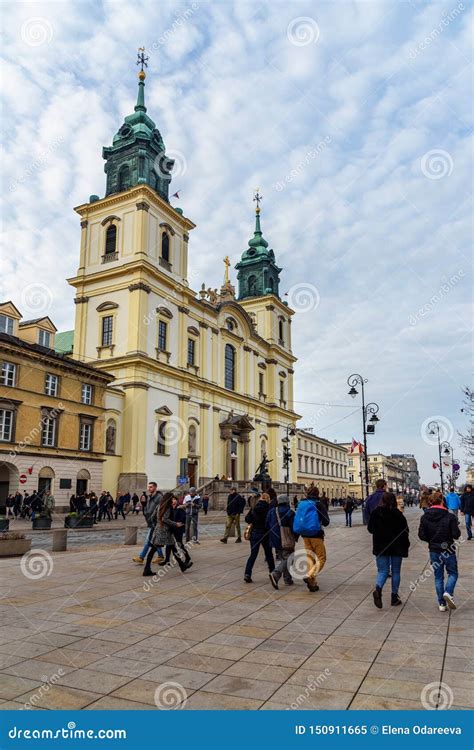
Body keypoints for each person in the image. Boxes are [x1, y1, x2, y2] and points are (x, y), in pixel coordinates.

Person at [419, 491, 461, 610]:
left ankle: (441, 604)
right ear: (442, 501)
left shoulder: (425, 516)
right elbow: (456, 535)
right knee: (453, 573)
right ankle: (448, 591)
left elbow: (421, 535)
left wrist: (431, 540)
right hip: (448, 548)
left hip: (434, 549)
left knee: (438, 576)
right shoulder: (450, 516)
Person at [368, 491, 410, 608]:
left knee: (382, 571)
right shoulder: (398, 515)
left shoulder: (376, 513)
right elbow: (405, 531)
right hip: (397, 547)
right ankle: (394, 597)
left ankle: (378, 589)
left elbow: (370, 529)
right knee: (396, 571)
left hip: (381, 547)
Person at [143, 493, 190, 576]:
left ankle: (147, 569)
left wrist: (157, 525)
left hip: (158, 531)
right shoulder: (168, 507)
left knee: (159, 549)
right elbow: (165, 519)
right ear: (169, 499)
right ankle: (182, 565)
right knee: (172, 548)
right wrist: (176, 524)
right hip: (166, 532)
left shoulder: (159, 506)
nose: (172, 500)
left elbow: (153, 517)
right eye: (171, 499)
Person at [293, 486, 330, 592]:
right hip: (316, 535)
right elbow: (326, 522)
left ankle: (313, 584)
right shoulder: (318, 504)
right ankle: (310, 575)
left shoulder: (301, 503)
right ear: (317, 493)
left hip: (304, 535)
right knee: (321, 557)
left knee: (310, 558)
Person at [243, 492, 275, 583]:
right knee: (269, 554)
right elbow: (271, 522)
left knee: (253, 554)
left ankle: (247, 574)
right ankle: (272, 572)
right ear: (268, 499)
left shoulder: (254, 508)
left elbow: (247, 519)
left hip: (255, 533)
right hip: (265, 534)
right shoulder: (269, 508)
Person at [267, 494, 297, 589]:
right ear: (287, 502)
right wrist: (295, 537)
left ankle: (287, 579)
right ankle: (276, 574)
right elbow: (294, 527)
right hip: (286, 538)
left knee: (283, 557)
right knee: (288, 558)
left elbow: (267, 523)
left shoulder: (272, 511)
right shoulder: (290, 512)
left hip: (275, 539)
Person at [133, 482, 164, 564]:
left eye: (151, 487)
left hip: (155, 522)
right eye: (148, 487)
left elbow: (161, 510)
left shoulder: (159, 497)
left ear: (155, 487)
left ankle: (141, 557)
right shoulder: (150, 497)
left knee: (148, 540)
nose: (149, 488)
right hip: (150, 521)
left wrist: (157, 519)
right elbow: (147, 507)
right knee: (154, 541)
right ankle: (160, 556)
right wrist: (145, 512)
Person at [171, 496, 192, 569]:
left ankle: (187, 557)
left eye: (175, 499)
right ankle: (168, 560)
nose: (173, 501)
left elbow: (183, 518)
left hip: (178, 529)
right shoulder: (171, 509)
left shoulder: (179, 508)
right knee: (171, 546)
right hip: (172, 529)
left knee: (180, 545)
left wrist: (177, 524)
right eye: (172, 500)